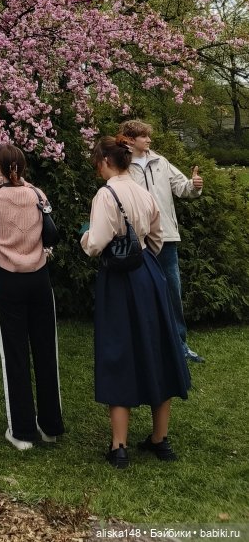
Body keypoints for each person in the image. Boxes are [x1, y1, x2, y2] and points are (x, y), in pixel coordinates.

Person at [81, 137, 190, 469]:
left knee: (119, 351)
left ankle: (119, 447)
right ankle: (160, 439)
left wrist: (84, 237)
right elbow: (157, 235)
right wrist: (143, 257)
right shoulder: (143, 192)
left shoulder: (106, 194)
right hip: (149, 274)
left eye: (95, 163)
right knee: (159, 347)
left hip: (120, 281)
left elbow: (97, 242)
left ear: (104, 161)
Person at [0, 144, 64, 451]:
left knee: (15, 354)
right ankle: (50, 426)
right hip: (40, 280)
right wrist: (14, 174)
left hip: (10, 281)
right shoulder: (38, 195)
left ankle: (22, 432)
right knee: (46, 350)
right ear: (23, 167)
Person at [117, 120, 205, 363]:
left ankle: (180, 345)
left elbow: (182, 188)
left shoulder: (160, 162)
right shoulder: (122, 166)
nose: (149, 140)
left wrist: (194, 186)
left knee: (172, 293)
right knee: (140, 293)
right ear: (130, 140)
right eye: (144, 136)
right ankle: (145, 346)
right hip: (138, 240)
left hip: (166, 238)